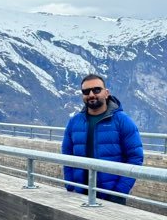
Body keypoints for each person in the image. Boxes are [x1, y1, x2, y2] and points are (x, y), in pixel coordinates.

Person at [61, 74, 143, 205]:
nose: (92, 94)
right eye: (86, 91)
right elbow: (66, 156)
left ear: (106, 93)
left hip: (111, 196)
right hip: (79, 195)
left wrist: (119, 193)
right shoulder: (74, 123)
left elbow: (135, 158)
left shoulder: (122, 121)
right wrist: (70, 186)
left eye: (97, 89)